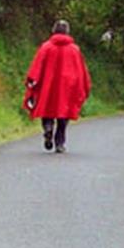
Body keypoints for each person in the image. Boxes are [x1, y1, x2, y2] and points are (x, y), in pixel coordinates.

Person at [24, 19, 90, 154]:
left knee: (47, 109)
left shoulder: (46, 47)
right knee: (63, 113)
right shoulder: (74, 50)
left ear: (54, 30)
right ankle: (59, 143)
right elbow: (81, 70)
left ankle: (48, 128)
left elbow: (37, 66)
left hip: (48, 85)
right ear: (67, 32)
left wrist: (32, 81)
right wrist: (83, 85)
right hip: (67, 86)